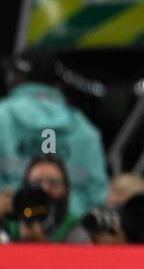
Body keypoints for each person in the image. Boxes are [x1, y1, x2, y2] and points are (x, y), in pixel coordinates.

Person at [0, 50, 108, 221]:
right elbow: (99, 197)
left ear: (16, 78)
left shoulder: (2, 115)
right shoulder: (85, 127)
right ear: (56, 83)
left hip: (9, 230)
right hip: (73, 235)